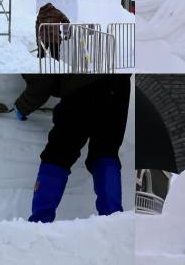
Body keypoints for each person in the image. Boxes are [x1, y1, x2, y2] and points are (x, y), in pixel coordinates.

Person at [14, 74, 131, 223]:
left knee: (58, 152)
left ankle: (40, 221)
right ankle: (113, 218)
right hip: (118, 85)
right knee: (106, 149)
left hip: (82, 85)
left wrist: (22, 106)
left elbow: (41, 84)